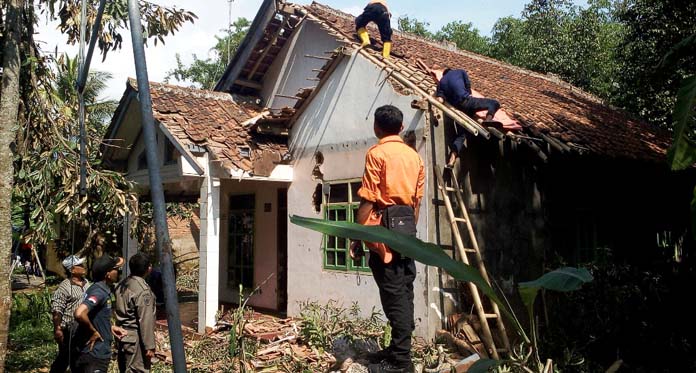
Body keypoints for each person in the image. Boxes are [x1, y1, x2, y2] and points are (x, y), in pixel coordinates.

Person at [350, 105, 425, 373]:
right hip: (407, 229)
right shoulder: (414, 157)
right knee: (405, 289)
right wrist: (408, 233)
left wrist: (357, 237)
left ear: (376, 127)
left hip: (383, 228)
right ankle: (397, 348)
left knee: (393, 293)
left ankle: (403, 362)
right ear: (402, 127)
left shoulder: (377, 154)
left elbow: (368, 197)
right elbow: (416, 201)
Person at [430, 65, 501, 167]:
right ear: (450, 70)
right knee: (494, 103)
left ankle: (451, 160)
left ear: (443, 74)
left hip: (458, 110)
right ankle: (488, 119)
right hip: (467, 102)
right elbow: (468, 88)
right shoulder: (460, 72)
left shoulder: (441, 83)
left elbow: (440, 99)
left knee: (461, 135)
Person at [72, 254, 128, 373]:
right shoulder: (99, 292)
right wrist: (94, 331)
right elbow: (79, 313)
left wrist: (108, 327)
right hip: (95, 355)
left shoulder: (97, 288)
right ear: (107, 274)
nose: (118, 272)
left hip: (92, 353)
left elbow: (94, 315)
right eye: (116, 270)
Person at [115, 253, 156, 373]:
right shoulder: (142, 290)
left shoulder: (123, 284)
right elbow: (145, 319)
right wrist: (149, 345)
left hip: (122, 336)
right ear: (149, 268)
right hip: (135, 340)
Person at [50, 255, 90, 373]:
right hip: (69, 329)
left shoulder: (86, 283)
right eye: (80, 266)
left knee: (79, 358)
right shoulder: (64, 287)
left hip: (83, 327)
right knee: (64, 357)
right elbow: (57, 309)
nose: (83, 267)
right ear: (72, 270)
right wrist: (57, 329)